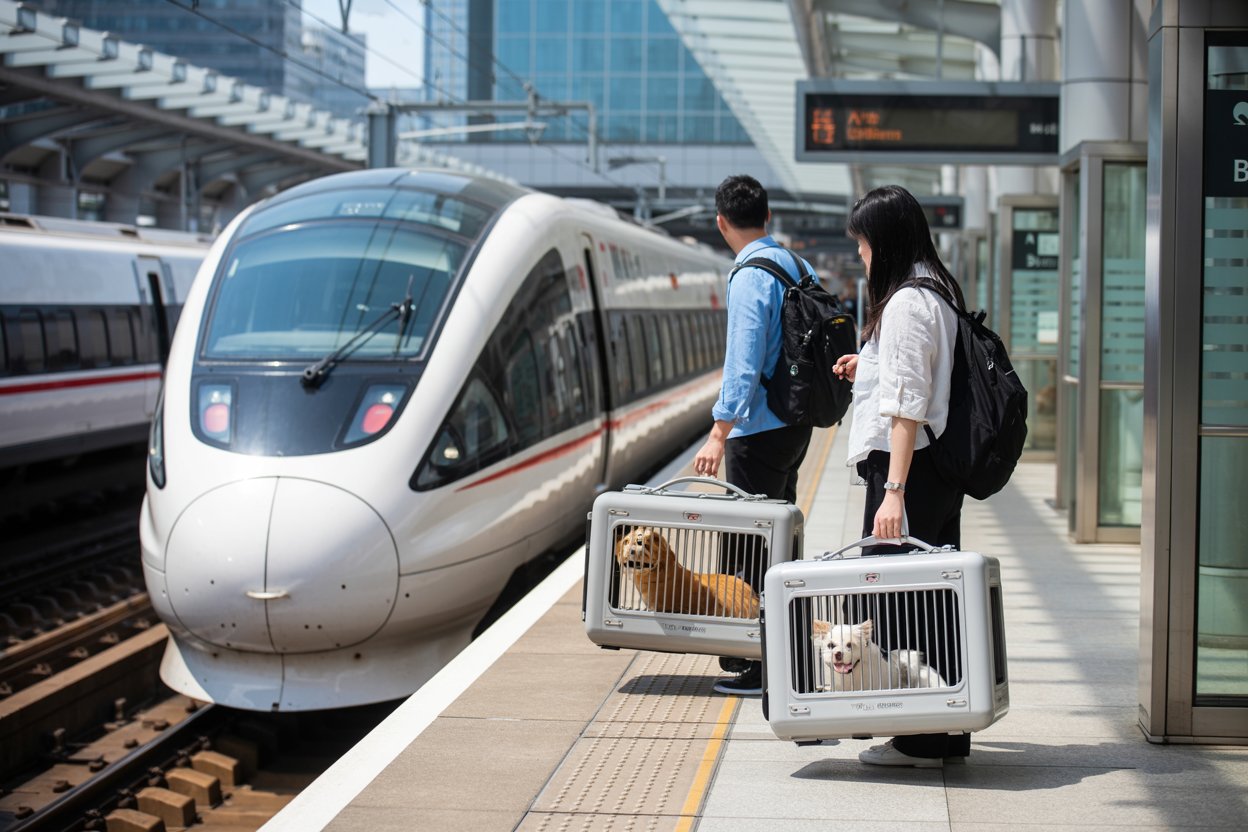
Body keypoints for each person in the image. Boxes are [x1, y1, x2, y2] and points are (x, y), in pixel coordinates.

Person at [832, 184, 971, 767]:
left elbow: (910, 405)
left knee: (902, 602)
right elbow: (914, 374)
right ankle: (943, 728)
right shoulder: (932, 290)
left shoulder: (909, 302)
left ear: (884, 242)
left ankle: (921, 738)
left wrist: (892, 492)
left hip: (907, 474)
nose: (861, 256)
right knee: (929, 598)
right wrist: (869, 362)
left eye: (863, 245)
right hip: (924, 472)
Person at [693, 174, 816, 696]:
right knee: (775, 543)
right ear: (766, 217)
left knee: (746, 553)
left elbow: (742, 363)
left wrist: (719, 431)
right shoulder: (797, 266)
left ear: (722, 223)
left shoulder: (749, 276)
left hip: (758, 430)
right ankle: (772, 655)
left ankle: (758, 665)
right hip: (795, 424)